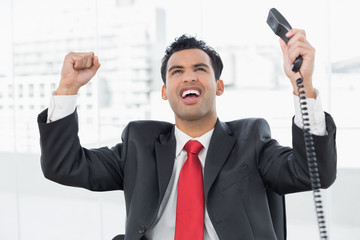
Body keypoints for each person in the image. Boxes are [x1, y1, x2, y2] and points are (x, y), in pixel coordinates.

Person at [37, 29, 337, 240]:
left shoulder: (251, 139)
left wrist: (304, 86)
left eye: (200, 69)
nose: (189, 76)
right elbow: (64, 166)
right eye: (177, 71)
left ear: (218, 86)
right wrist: (68, 88)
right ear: (165, 92)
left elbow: (313, 173)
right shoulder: (139, 143)